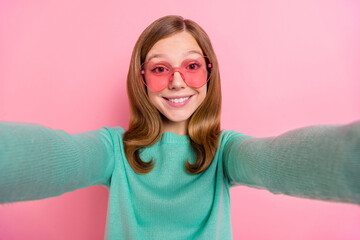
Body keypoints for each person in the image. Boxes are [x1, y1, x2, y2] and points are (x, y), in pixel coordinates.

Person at [0, 15, 359, 240]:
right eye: (160, 69)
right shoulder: (113, 150)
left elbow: (279, 161)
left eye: (191, 67)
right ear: (141, 80)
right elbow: (55, 156)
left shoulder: (227, 151)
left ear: (209, 74)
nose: (176, 82)